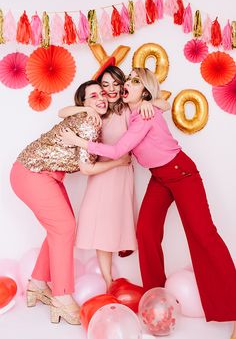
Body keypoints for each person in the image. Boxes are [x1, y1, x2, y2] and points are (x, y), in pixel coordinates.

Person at [59, 68, 236, 337]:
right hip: (160, 177)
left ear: (144, 91)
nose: (126, 84)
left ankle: (233, 307)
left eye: (134, 82)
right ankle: (156, 301)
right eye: (127, 80)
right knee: (147, 233)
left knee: (203, 236)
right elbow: (158, 102)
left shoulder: (144, 114)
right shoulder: (133, 111)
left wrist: (79, 141)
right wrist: (147, 101)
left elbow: (119, 150)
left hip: (181, 173)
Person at [10, 80, 131, 325]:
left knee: (61, 228)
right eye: (92, 95)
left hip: (44, 174)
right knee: (64, 228)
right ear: (83, 103)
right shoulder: (88, 122)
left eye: (101, 94)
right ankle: (62, 297)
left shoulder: (92, 120)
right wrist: (119, 163)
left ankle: (38, 283)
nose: (100, 98)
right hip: (32, 173)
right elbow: (86, 168)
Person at [58, 64, 170, 289]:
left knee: (117, 224)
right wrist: (86, 110)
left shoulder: (130, 108)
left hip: (122, 174)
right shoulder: (97, 111)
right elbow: (62, 112)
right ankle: (108, 280)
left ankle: (121, 277)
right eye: (105, 85)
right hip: (102, 175)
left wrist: (149, 102)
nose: (110, 89)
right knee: (102, 228)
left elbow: (165, 104)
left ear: (122, 86)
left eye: (115, 84)